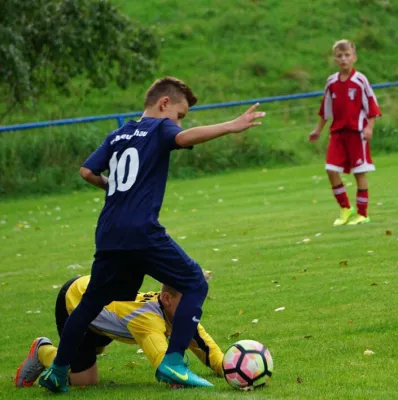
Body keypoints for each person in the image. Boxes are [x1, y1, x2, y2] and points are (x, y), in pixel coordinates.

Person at [39, 77, 265, 393]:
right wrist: (231, 125)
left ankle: (57, 372)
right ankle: (174, 362)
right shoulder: (160, 128)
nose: (179, 122)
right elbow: (185, 138)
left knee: (92, 302)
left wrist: (116, 190)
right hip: (140, 230)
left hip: (108, 232)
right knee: (194, 282)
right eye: (180, 114)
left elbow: (87, 172)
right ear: (164, 104)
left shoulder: (117, 135)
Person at [15, 275, 224, 388]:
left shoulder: (183, 315)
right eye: (189, 301)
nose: (195, 307)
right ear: (167, 299)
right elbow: (165, 364)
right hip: (75, 300)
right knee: (85, 382)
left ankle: (73, 356)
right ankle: (43, 350)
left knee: (89, 362)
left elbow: (208, 350)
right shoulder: (147, 319)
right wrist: (179, 378)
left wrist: (230, 368)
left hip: (104, 315)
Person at [309, 39, 382, 226]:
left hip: (356, 134)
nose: (343, 59)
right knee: (331, 170)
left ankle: (363, 214)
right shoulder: (331, 82)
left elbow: (371, 105)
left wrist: (369, 127)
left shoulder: (360, 80)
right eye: (339, 56)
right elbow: (326, 109)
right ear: (335, 59)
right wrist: (318, 130)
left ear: (354, 58)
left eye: (347, 55)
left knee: (359, 173)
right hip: (337, 134)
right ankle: (345, 209)